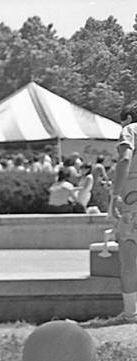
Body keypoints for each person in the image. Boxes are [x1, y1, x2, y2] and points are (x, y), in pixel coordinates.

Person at [87, 103, 137, 327]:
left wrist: (115, 195)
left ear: (127, 117)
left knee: (129, 258)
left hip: (132, 202)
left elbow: (125, 159)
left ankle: (130, 313)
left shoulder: (130, 130)